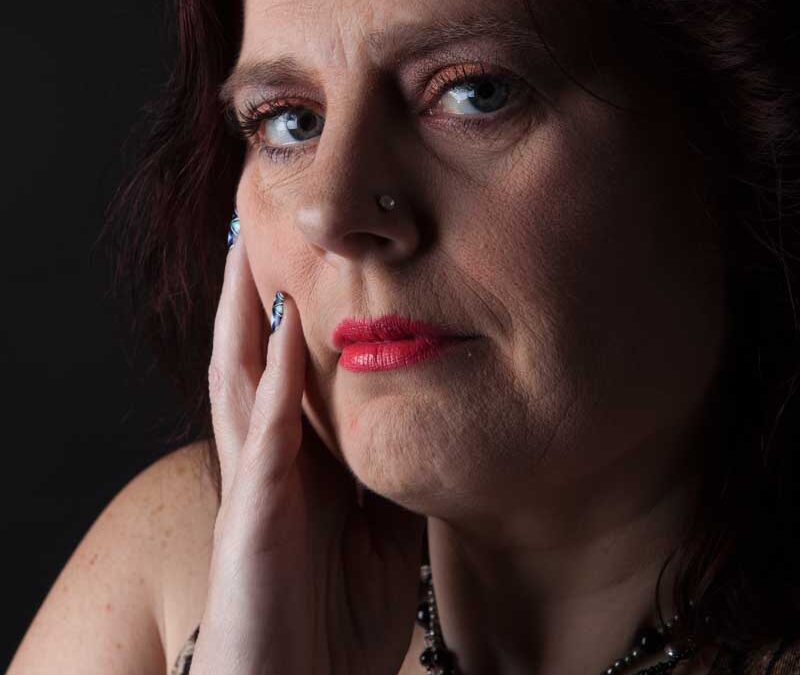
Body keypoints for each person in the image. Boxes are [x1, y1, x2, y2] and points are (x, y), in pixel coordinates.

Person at [6, 0, 800, 674]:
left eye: (477, 93)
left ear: (737, 134)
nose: (334, 209)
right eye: (290, 120)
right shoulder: (174, 570)